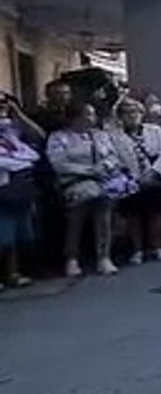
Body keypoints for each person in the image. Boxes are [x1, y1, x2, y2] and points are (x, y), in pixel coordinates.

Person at [48, 101, 126, 277]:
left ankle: (104, 256)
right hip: (74, 181)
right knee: (77, 214)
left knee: (104, 210)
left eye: (92, 114)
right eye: (88, 115)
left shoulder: (100, 135)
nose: (92, 118)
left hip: (102, 181)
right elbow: (59, 163)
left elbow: (113, 156)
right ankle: (72, 258)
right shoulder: (59, 137)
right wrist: (88, 171)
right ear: (75, 118)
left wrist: (104, 167)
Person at [108, 98, 161, 264]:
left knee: (155, 211)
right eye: (127, 112)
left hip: (152, 176)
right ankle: (137, 250)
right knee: (133, 214)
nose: (132, 115)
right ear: (120, 116)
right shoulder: (113, 136)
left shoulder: (155, 131)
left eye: (135, 111)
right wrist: (132, 176)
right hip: (130, 179)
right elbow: (113, 158)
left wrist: (153, 172)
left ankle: (156, 247)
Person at [0, 95, 40, 289]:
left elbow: (38, 139)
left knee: (13, 233)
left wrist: (18, 114)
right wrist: (20, 161)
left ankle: (12, 273)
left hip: (16, 186)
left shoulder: (10, 131)